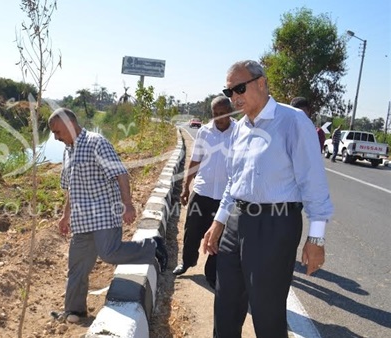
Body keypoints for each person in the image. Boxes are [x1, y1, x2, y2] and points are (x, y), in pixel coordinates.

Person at [202, 60, 333, 338]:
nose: (234, 97)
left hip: (275, 225)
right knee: (225, 305)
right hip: (237, 221)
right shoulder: (239, 128)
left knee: (267, 311)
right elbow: (233, 182)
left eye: (239, 88)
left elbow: (314, 182)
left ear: (261, 83)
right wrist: (219, 222)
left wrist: (316, 238)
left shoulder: (293, 121)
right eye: (229, 92)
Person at [48, 108, 168, 323]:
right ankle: (75, 311)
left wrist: (128, 204)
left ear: (69, 124)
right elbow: (71, 189)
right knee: (77, 267)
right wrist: (66, 216)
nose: (56, 138)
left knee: (109, 254)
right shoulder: (68, 151)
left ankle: (153, 247)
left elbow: (120, 172)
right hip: (82, 218)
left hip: (104, 212)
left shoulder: (96, 142)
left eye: (57, 132)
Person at [173, 96, 236, 290]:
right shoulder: (204, 132)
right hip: (202, 191)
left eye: (223, 114)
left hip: (225, 197)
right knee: (191, 231)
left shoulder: (239, 132)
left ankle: (211, 273)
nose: (219, 118)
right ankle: (187, 262)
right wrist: (186, 187)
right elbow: (195, 160)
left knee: (218, 237)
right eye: (215, 114)